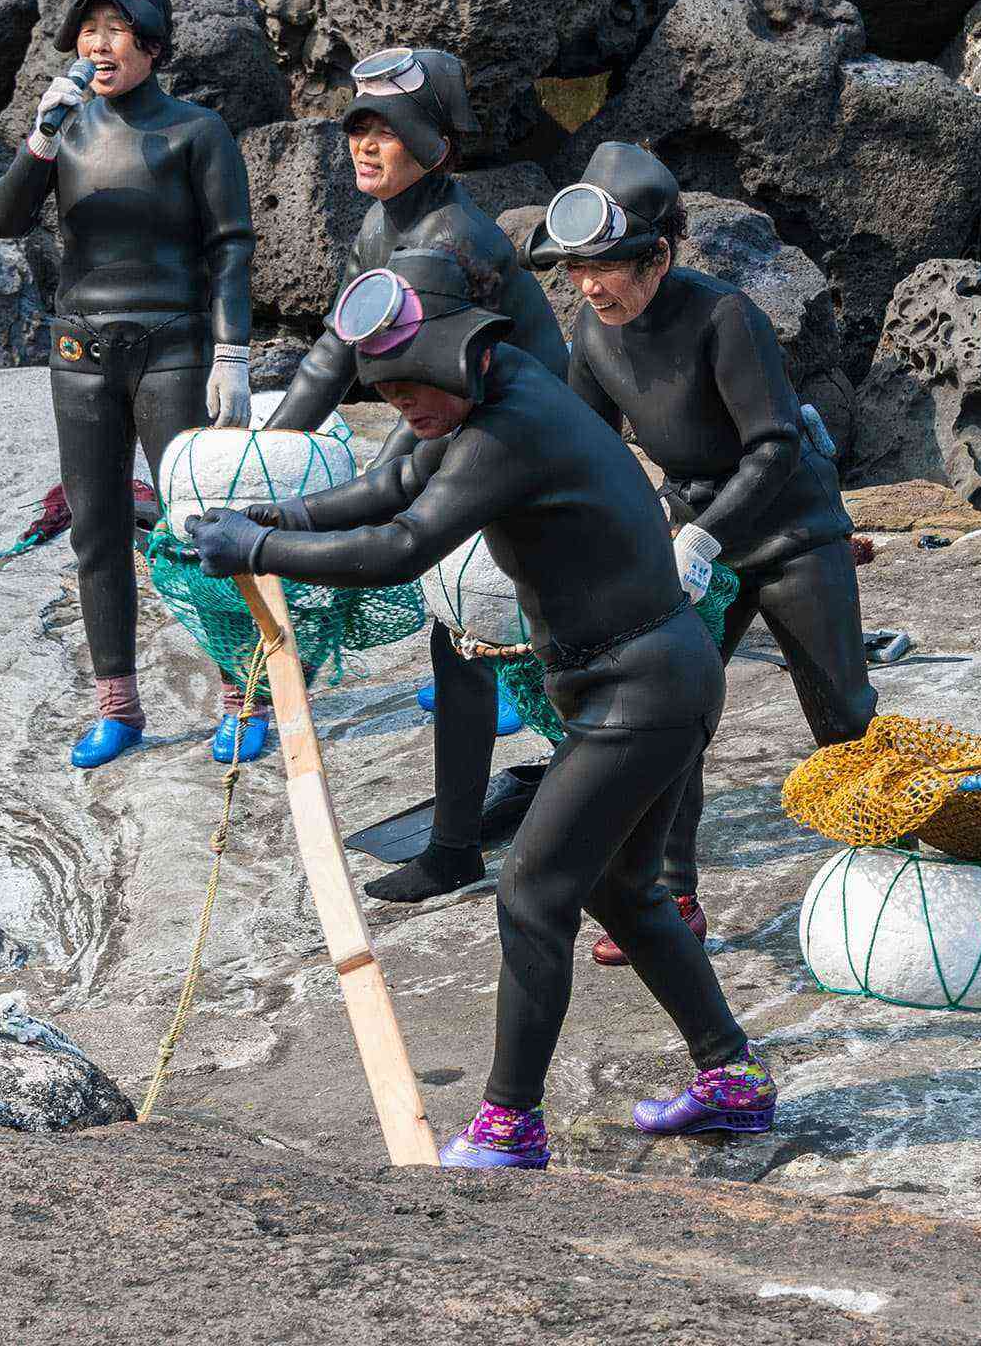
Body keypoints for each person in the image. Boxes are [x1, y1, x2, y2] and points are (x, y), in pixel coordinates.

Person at [185, 248, 778, 1167]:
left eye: (417, 390)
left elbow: (403, 542)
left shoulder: (515, 428)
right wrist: (278, 517)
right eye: (388, 398)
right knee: (622, 889)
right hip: (632, 680)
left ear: (466, 355)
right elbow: (391, 485)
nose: (407, 412)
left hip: (643, 688)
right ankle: (731, 1077)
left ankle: (511, 1124)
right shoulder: (483, 394)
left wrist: (259, 547)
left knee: (532, 892)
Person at [521, 143, 876, 965]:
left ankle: (887, 866)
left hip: (789, 531)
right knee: (669, 719)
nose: (589, 286)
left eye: (606, 268)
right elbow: (586, 447)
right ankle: (667, 895)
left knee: (842, 712)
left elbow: (776, 444)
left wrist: (707, 535)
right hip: (690, 538)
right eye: (576, 270)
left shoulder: (724, 318)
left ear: (660, 256)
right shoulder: (593, 328)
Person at [267, 47, 568, 904]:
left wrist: (305, 513)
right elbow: (339, 348)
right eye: (357, 130)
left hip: (525, 443)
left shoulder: (451, 239)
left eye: (386, 134)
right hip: (464, 428)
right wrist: (262, 454)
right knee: (455, 644)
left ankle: (597, 812)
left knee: (527, 636)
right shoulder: (381, 227)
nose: (365, 148)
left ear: (435, 146)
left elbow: (431, 411)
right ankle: (456, 844)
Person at [0, 0, 257, 770]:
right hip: (79, 352)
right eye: (89, 31)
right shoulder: (65, 126)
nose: (99, 46)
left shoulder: (195, 131)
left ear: (152, 44)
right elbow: (5, 219)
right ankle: (119, 707)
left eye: (116, 31)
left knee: (194, 527)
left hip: (173, 348)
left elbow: (230, 246)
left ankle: (241, 695)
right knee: (98, 531)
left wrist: (234, 352)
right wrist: (38, 137)